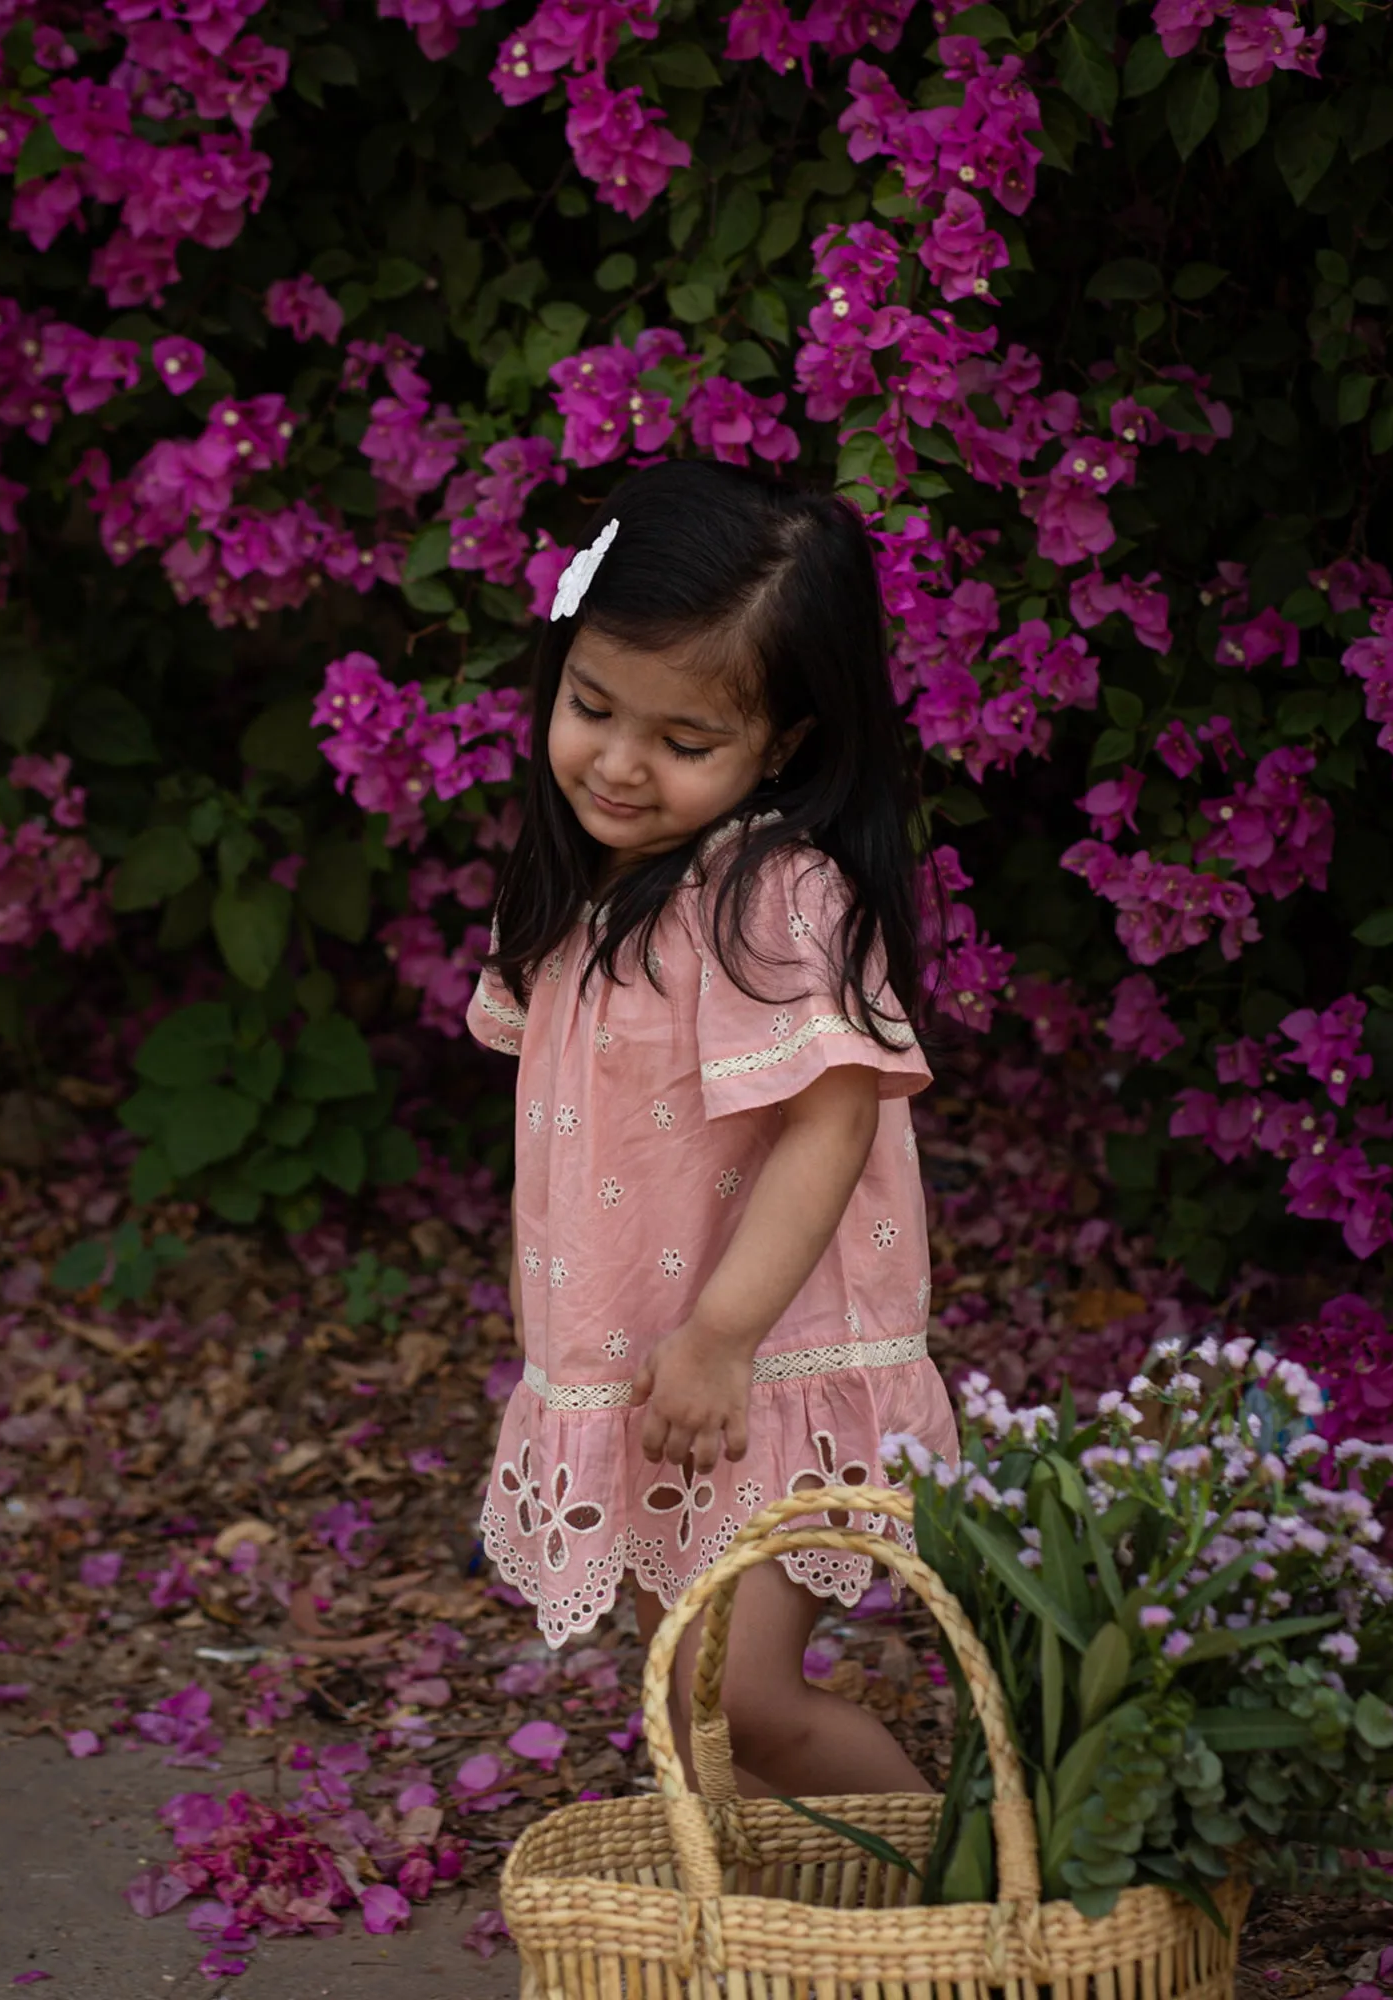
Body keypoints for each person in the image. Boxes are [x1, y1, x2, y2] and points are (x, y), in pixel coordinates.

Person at [467, 458, 958, 1804]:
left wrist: (724, 1335)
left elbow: (831, 1123)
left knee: (751, 1706)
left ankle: (978, 1923)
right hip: (644, 1374)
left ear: (783, 742)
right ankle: (771, 1939)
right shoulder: (589, 885)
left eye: (684, 744)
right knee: (686, 1712)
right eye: (591, 708)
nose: (618, 765)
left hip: (757, 1364)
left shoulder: (766, 894)